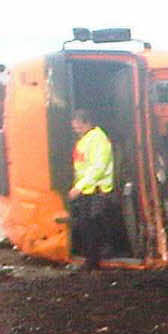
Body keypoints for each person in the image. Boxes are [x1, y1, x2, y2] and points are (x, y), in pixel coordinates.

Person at [68, 109, 114, 270]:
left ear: (87, 123)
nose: (76, 130)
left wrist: (78, 187)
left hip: (96, 190)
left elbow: (98, 168)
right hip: (88, 190)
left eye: (78, 127)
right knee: (87, 226)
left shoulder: (98, 139)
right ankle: (92, 260)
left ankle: (93, 262)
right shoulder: (86, 139)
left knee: (91, 226)